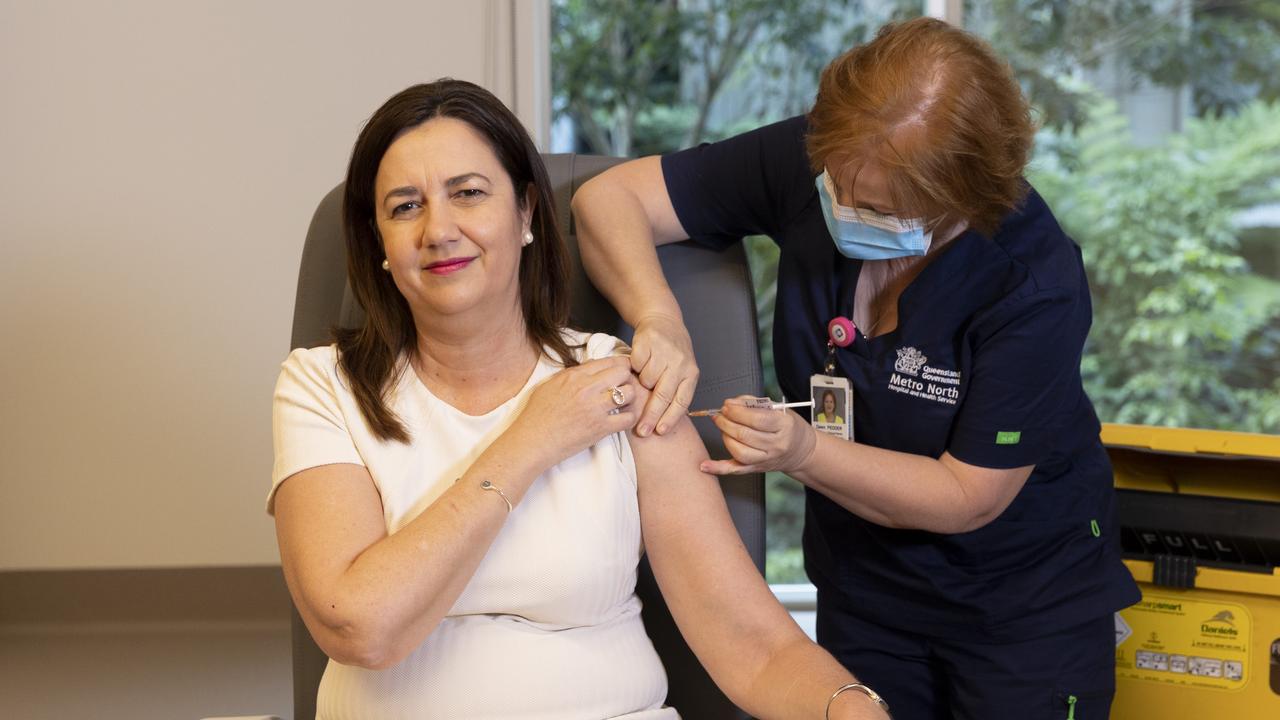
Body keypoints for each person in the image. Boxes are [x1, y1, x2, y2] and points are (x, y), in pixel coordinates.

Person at [572, 17, 1140, 720]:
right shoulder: (824, 156)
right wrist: (659, 316)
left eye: (877, 208)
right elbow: (607, 200)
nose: (844, 209)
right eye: (835, 184)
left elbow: (969, 495)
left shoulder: (1031, 282)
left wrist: (803, 451)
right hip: (863, 595)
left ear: (960, 199)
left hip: (1020, 611)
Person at [268, 80, 891, 720]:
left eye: (469, 194)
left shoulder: (616, 383)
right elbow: (359, 629)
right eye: (404, 207)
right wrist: (534, 436)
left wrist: (852, 708)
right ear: (377, 244)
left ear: (527, 212)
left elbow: (753, 646)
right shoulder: (323, 387)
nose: (439, 228)